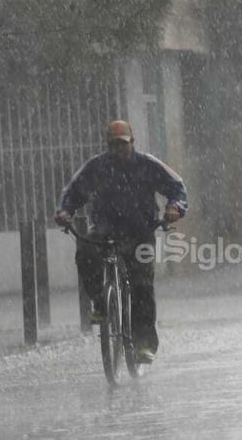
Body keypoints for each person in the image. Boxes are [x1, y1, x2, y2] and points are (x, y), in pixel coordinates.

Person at [54, 120, 187, 364]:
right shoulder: (97, 167)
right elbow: (72, 192)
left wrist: (174, 207)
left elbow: (177, 188)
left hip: (140, 231)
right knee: (85, 251)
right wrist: (65, 211)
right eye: (114, 146)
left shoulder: (148, 165)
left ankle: (144, 344)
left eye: (123, 145)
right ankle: (101, 302)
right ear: (108, 146)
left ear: (132, 143)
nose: (119, 150)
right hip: (106, 230)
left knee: (142, 286)